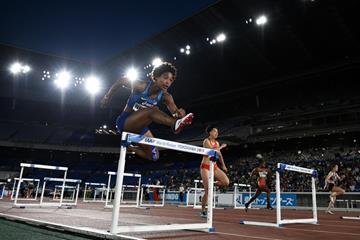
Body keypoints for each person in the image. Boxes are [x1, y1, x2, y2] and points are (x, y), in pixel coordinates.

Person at [101, 62, 194, 161]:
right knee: (152, 110)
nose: (168, 82)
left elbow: (175, 113)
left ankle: (130, 147)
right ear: (156, 77)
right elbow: (122, 81)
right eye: (165, 78)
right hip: (125, 123)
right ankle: (174, 125)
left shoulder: (166, 97)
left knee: (154, 156)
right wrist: (107, 97)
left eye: (171, 80)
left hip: (141, 128)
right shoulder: (141, 86)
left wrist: (180, 113)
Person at [200, 125, 229, 218]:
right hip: (205, 167)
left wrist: (223, 165)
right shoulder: (206, 141)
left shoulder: (216, 142)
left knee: (226, 182)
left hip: (214, 166)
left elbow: (219, 155)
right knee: (207, 190)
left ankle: (211, 183)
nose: (217, 133)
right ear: (210, 132)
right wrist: (221, 147)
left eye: (217, 132)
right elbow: (212, 152)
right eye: (215, 131)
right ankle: (203, 210)